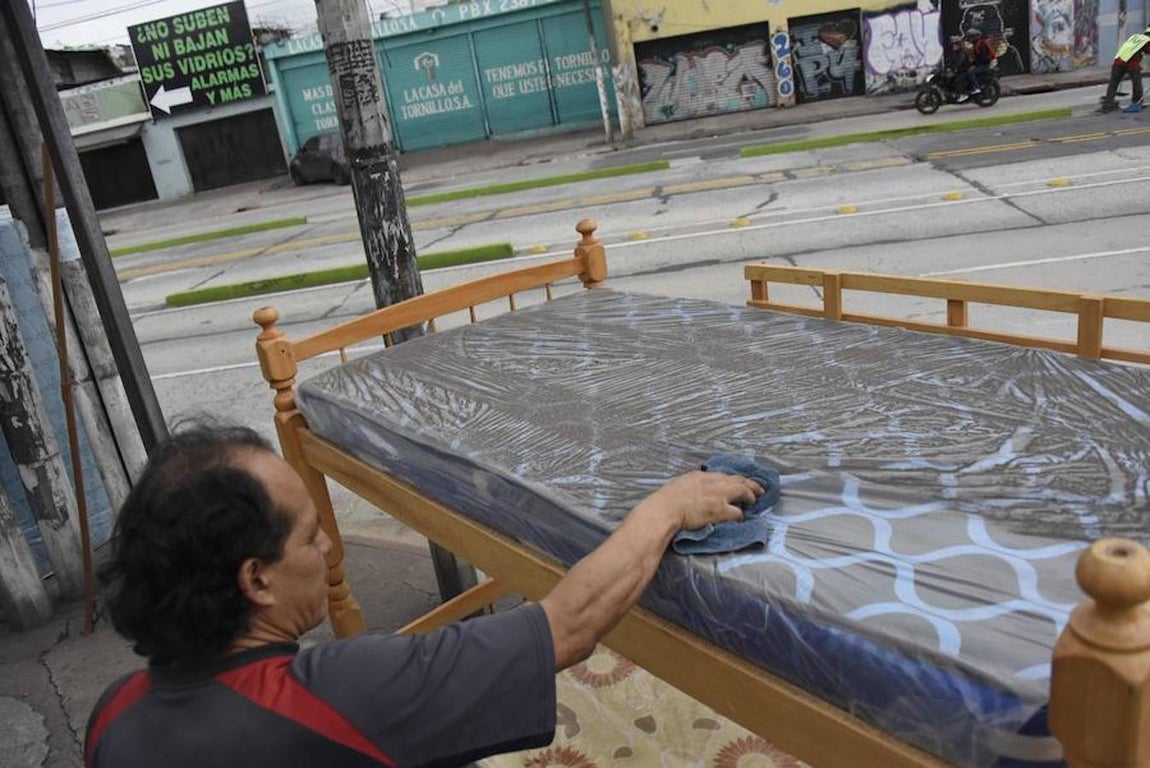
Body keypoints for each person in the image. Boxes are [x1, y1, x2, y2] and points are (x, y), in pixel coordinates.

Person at [84, 424, 762, 767]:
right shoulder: (342, 693)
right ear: (256, 579)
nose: (330, 549)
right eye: (311, 537)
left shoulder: (112, 716)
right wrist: (669, 506)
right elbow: (569, 625)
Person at [1101, 27, 1150, 113]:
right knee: (1137, 83)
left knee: (1113, 83)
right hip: (1131, 63)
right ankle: (1136, 102)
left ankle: (1108, 103)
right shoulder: (1147, 40)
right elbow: (1148, 50)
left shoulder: (1135, 36)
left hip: (1118, 60)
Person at [963, 28, 996, 98]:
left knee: (970, 72)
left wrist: (974, 64)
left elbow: (982, 58)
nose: (969, 39)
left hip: (986, 65)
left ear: (975, 37)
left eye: (970, 37)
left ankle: (976, 87)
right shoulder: (976, 44)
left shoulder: (981, 45)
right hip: (981, 64)